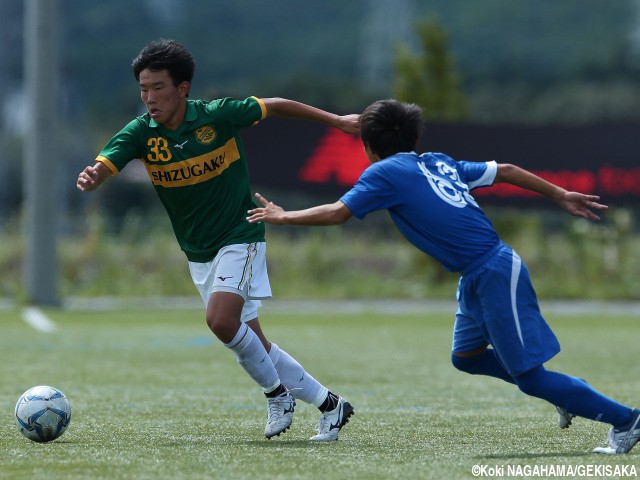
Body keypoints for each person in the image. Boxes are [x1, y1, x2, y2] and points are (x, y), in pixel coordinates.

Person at [247, 98, 640, 454]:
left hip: (494, 271)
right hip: (476, 274)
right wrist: (558, 194)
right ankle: (563, 389)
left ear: (367, 145)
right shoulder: (435, 160)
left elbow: (337, 212)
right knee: (465, 357)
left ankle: (626, 420)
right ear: (413, 136)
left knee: (531, 379)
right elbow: (505, 169)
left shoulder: (383, 173)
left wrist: (283, 216)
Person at [76, 38, 357, 441]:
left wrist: (339, 122)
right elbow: (107, 162)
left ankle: (277, 396)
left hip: (240, 234)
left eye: (157, 87)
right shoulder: (142, 132)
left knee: (220, 321)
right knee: (256, 343)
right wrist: (94, 177)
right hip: (199, 252)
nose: (149, 98)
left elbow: (275, 104)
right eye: (143, 89)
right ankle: (332, 405)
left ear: (183, 88)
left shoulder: (218, 116)